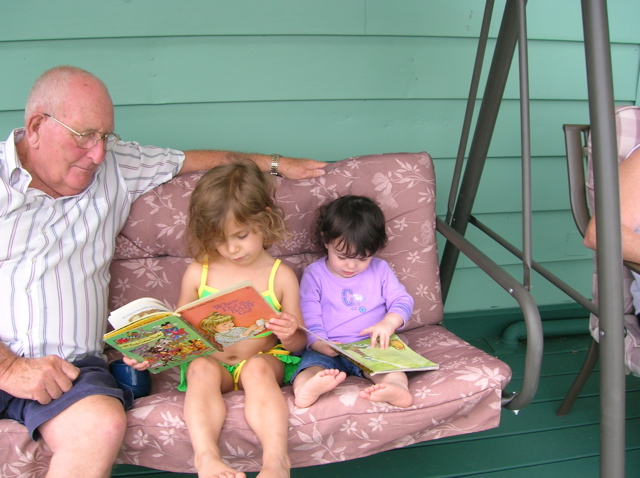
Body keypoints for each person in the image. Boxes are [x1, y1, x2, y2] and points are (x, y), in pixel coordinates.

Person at [0, 65, 326, 478]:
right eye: (85, 136)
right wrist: (8, 369)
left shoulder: (115, 167)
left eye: (106, 137)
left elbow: (198, 161)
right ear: (36, 127)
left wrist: (277, 164)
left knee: (101, 424)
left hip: (71, 370)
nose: (99, 153)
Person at [127, 159, 307, 478]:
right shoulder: (199, 272)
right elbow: (178, 329)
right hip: (214, 364)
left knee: (257, 369)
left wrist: (289, 331)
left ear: (264, 220)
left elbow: (297, 345)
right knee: (198, 368)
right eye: (221, 240)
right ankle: (206, 458)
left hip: (263, 359)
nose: (232, 249)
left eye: (241, 235)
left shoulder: (281, 276)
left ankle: (276, 461)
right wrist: (150, 354)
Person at [291, 195, 415, 409]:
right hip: (328, 346)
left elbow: (402, 300)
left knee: (391, 368)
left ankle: (396, 388)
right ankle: (305, 388)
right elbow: (308, 313)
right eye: (342, 256)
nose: (351, 266)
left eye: (362, 258)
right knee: (310, 367)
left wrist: (388, 324)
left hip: (371, 345)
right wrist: (319, 343)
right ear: (326, 240)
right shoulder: (315, 274)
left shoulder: (380, 270)